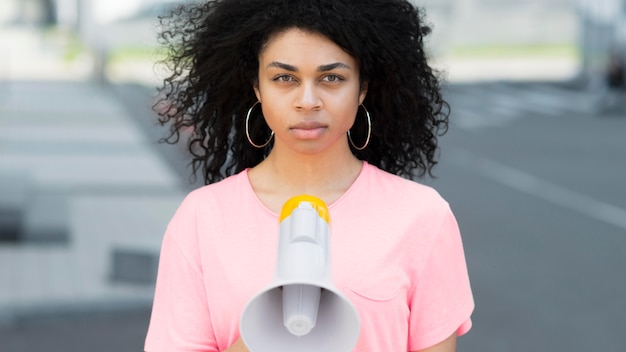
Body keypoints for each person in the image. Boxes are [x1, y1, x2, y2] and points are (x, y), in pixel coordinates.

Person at [144, 0, 474, 351]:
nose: (307, 100)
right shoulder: (201, 218)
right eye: (284, 78)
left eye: (331, 78)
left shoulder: (423, 217)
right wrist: (271, 327)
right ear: (257, 87)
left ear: (362, 88)